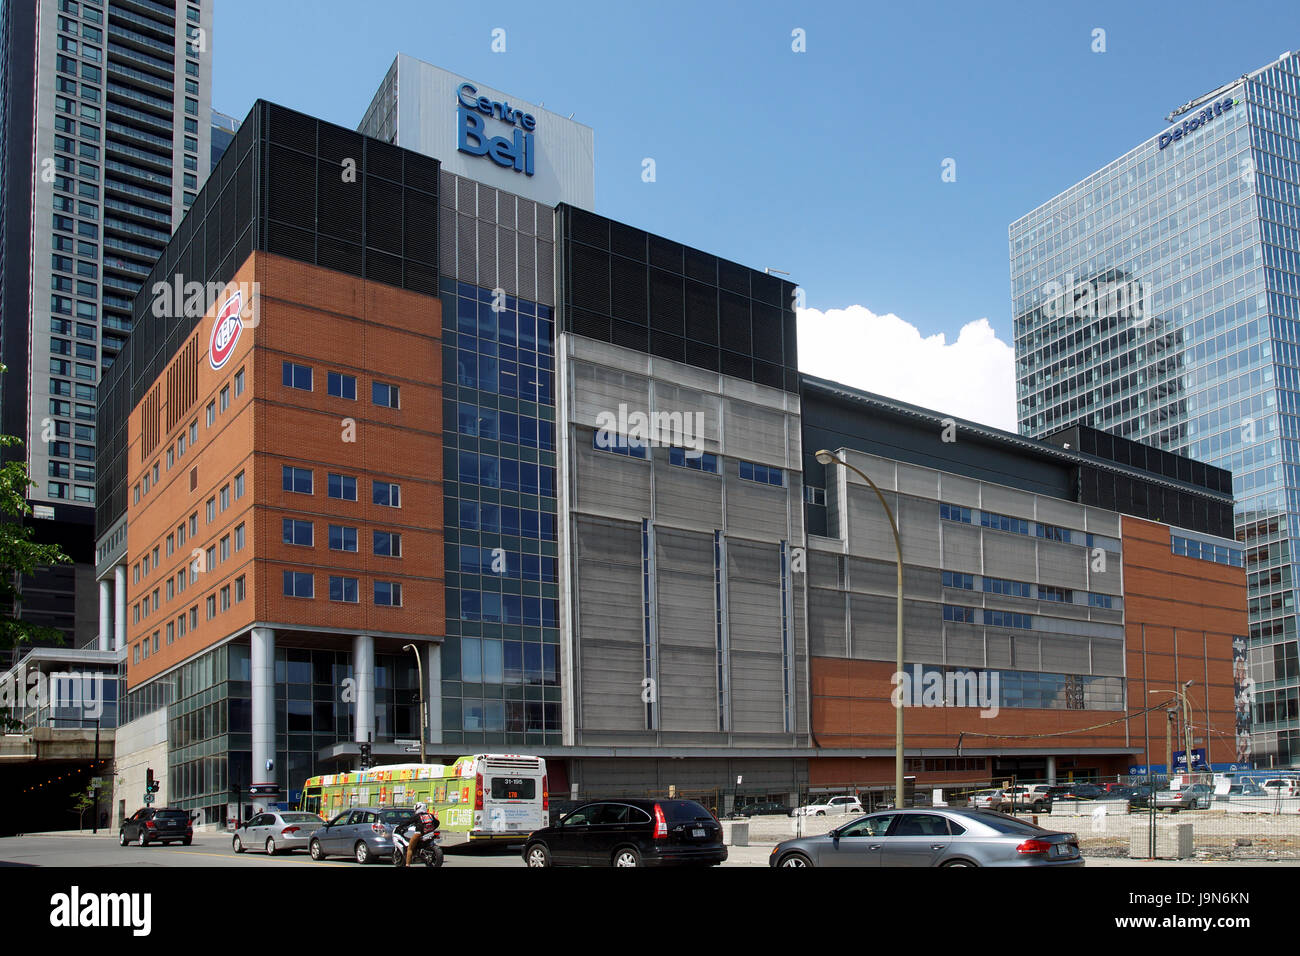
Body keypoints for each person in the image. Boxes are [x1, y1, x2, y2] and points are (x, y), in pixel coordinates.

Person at [402, 801, 439, 866]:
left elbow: (407, 822)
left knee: (410, 848)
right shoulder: (430, 815)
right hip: (429, 833)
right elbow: (437, 823)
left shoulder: (417, 816)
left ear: (418, 808)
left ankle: (407, 864)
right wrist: (432, 828)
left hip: (419, 834)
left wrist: (400, 826)